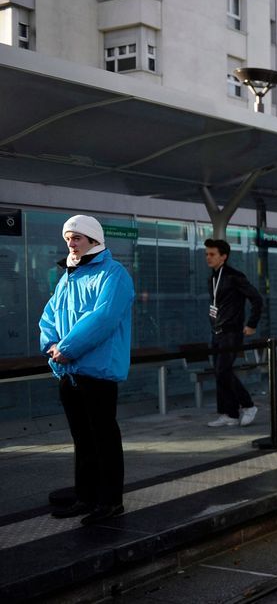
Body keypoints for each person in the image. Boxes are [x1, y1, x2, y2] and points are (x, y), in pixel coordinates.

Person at [39, 215, 134, 525]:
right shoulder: (69, 275)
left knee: (103, 438)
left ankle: (110, 502)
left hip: (97, 372)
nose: (71, 242)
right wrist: (51, 346)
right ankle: (86, 497)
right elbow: (49, 314)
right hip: (69, 372)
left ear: (94, 240)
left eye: (77, 237)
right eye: (68, 237)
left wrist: (65, 349)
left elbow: (103, 319)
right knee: (82, 439)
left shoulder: (113, 274)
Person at [204, 238, 263, 427]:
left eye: (212, 254)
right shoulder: (212, 278)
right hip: (217, 332)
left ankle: (248, 405)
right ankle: (229, 414)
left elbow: (256, 299)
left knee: (224, 370)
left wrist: (251, 324)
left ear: (224, 256)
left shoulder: (234, 276)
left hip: (231, 332)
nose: (208, 257)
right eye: (207, 254)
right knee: (219, 372)